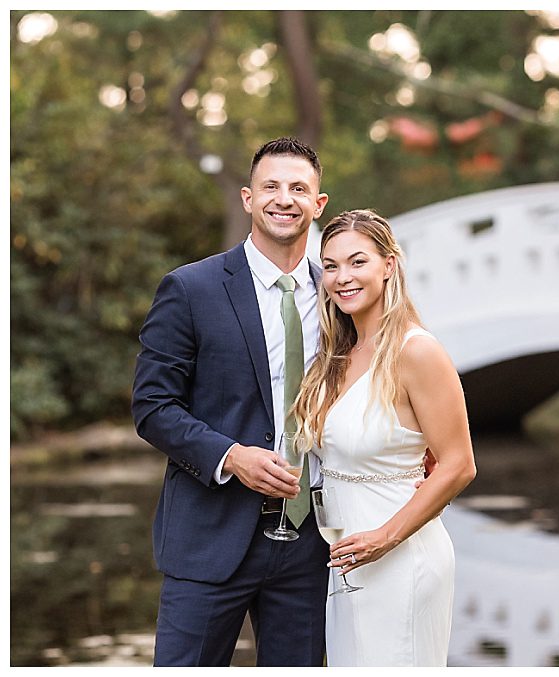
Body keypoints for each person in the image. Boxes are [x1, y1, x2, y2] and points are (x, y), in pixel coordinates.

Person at [133, 137, 332, 665]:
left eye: (298, 189)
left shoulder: (337, 297)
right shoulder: (189, 288)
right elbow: (152, 406)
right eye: (271, 187)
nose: (284, 199)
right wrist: (231, 456)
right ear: (248, 198)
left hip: (311, 543)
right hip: (209, 534)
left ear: (318, 204)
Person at [293, 209, 475, 665]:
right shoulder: (336, 355)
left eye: (358, 262)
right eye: (331, 266)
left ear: (389, 265)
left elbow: (458, 465)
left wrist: (385, 538)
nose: (342, 277)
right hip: (346, 559)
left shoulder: (417, 351)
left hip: (401, 556)